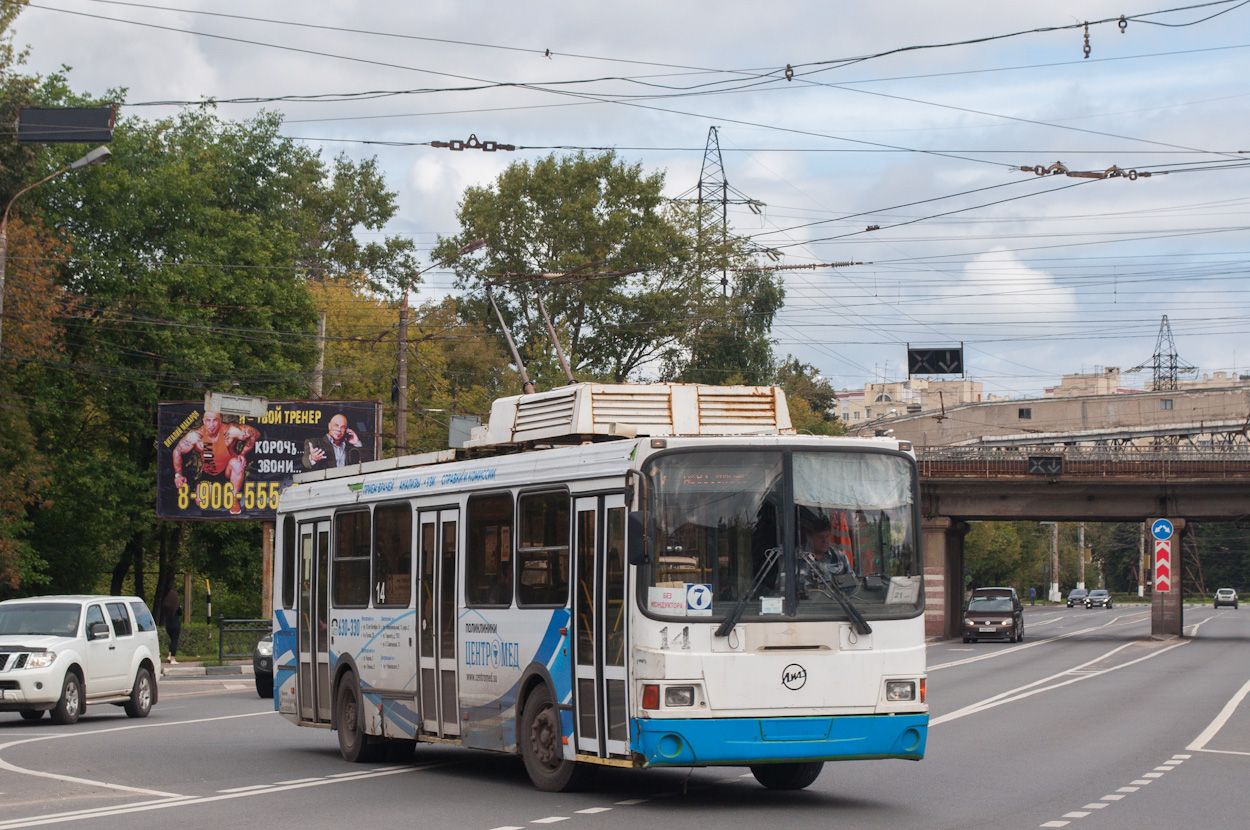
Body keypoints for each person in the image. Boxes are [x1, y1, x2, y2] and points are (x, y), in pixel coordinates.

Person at [171, 410, 260, 515]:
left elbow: (255, 433)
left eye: (215, 421)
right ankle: (220, 493)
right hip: (210, 473)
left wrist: (243, 453)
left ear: (220, 421)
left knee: (237, 464)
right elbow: (177, 451)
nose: (211, 424)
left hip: (228, 470)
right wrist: (178, 474)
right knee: (200, 501)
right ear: (203, 421)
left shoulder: (230, 431)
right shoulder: (195, 436)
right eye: (208, 421)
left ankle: (233, 497)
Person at [162, 587, 182, 664]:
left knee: (172, 640)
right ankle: (173, 658)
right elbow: (180, 613)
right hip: (176, 624)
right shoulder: (176, 606)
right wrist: (180, 607)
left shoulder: (166, 605)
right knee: (174, 641)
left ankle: (169, 655)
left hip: (168, 624)